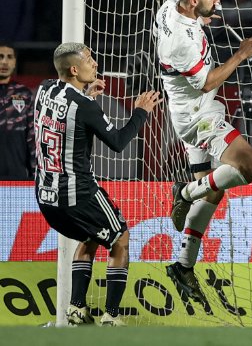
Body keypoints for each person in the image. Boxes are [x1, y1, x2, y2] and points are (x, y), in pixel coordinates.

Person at [155, 0, 252, 304]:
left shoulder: (168, 8)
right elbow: (205, 82)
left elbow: (190, 24)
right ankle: (184, 191)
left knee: (213, 192)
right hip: (198, 116)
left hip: (186, 109)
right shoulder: (182, 43)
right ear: (193, 1)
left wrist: (202, 20)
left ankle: (183, 266)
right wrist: (240, 55)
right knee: (251, 167)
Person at [34, 43, 160, 326]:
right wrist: (140, 111)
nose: (96, 64)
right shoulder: (84, 106)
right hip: (78, 194)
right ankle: (111, 317)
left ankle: (77, 309)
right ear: (74, 69)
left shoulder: (43, 89)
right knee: (120, 239)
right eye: (89, 60)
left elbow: (64, 114)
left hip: (46, 198)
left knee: (90, 237)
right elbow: (117, 142)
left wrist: (85, 94)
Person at [0, 44, 34, 180]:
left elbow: (32, 137)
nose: (4, 61)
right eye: (0, 56)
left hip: (17, 176)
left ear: (15, 62)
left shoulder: (24, 94)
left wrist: (34, 174)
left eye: (9, 57)